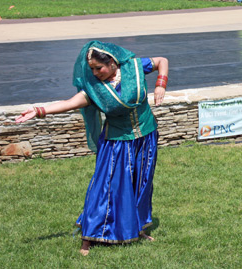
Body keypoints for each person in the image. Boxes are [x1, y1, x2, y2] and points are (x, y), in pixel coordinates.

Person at [16, 41, 169, 255]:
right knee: (105, 188)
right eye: (92, 69)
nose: (96, 73)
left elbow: (162, 61)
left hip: (146, 137)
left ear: (113, 62)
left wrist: (161, 83)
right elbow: (70, 103)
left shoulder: (135, 67)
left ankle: (136, 228)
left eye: (99, 68)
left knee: (140, 184)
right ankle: (89, 237)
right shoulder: (95, 89)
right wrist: (39, 110)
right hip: (116, 143)